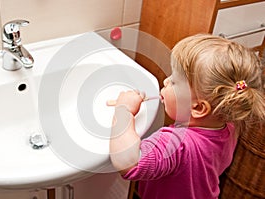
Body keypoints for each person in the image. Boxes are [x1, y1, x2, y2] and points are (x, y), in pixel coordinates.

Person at [108, 34, 265, 199]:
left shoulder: (177, 143)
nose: (166, 81)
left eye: (174, 82)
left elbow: (128, 164)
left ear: (197, 107)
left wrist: (124, 110)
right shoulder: (230, 126)